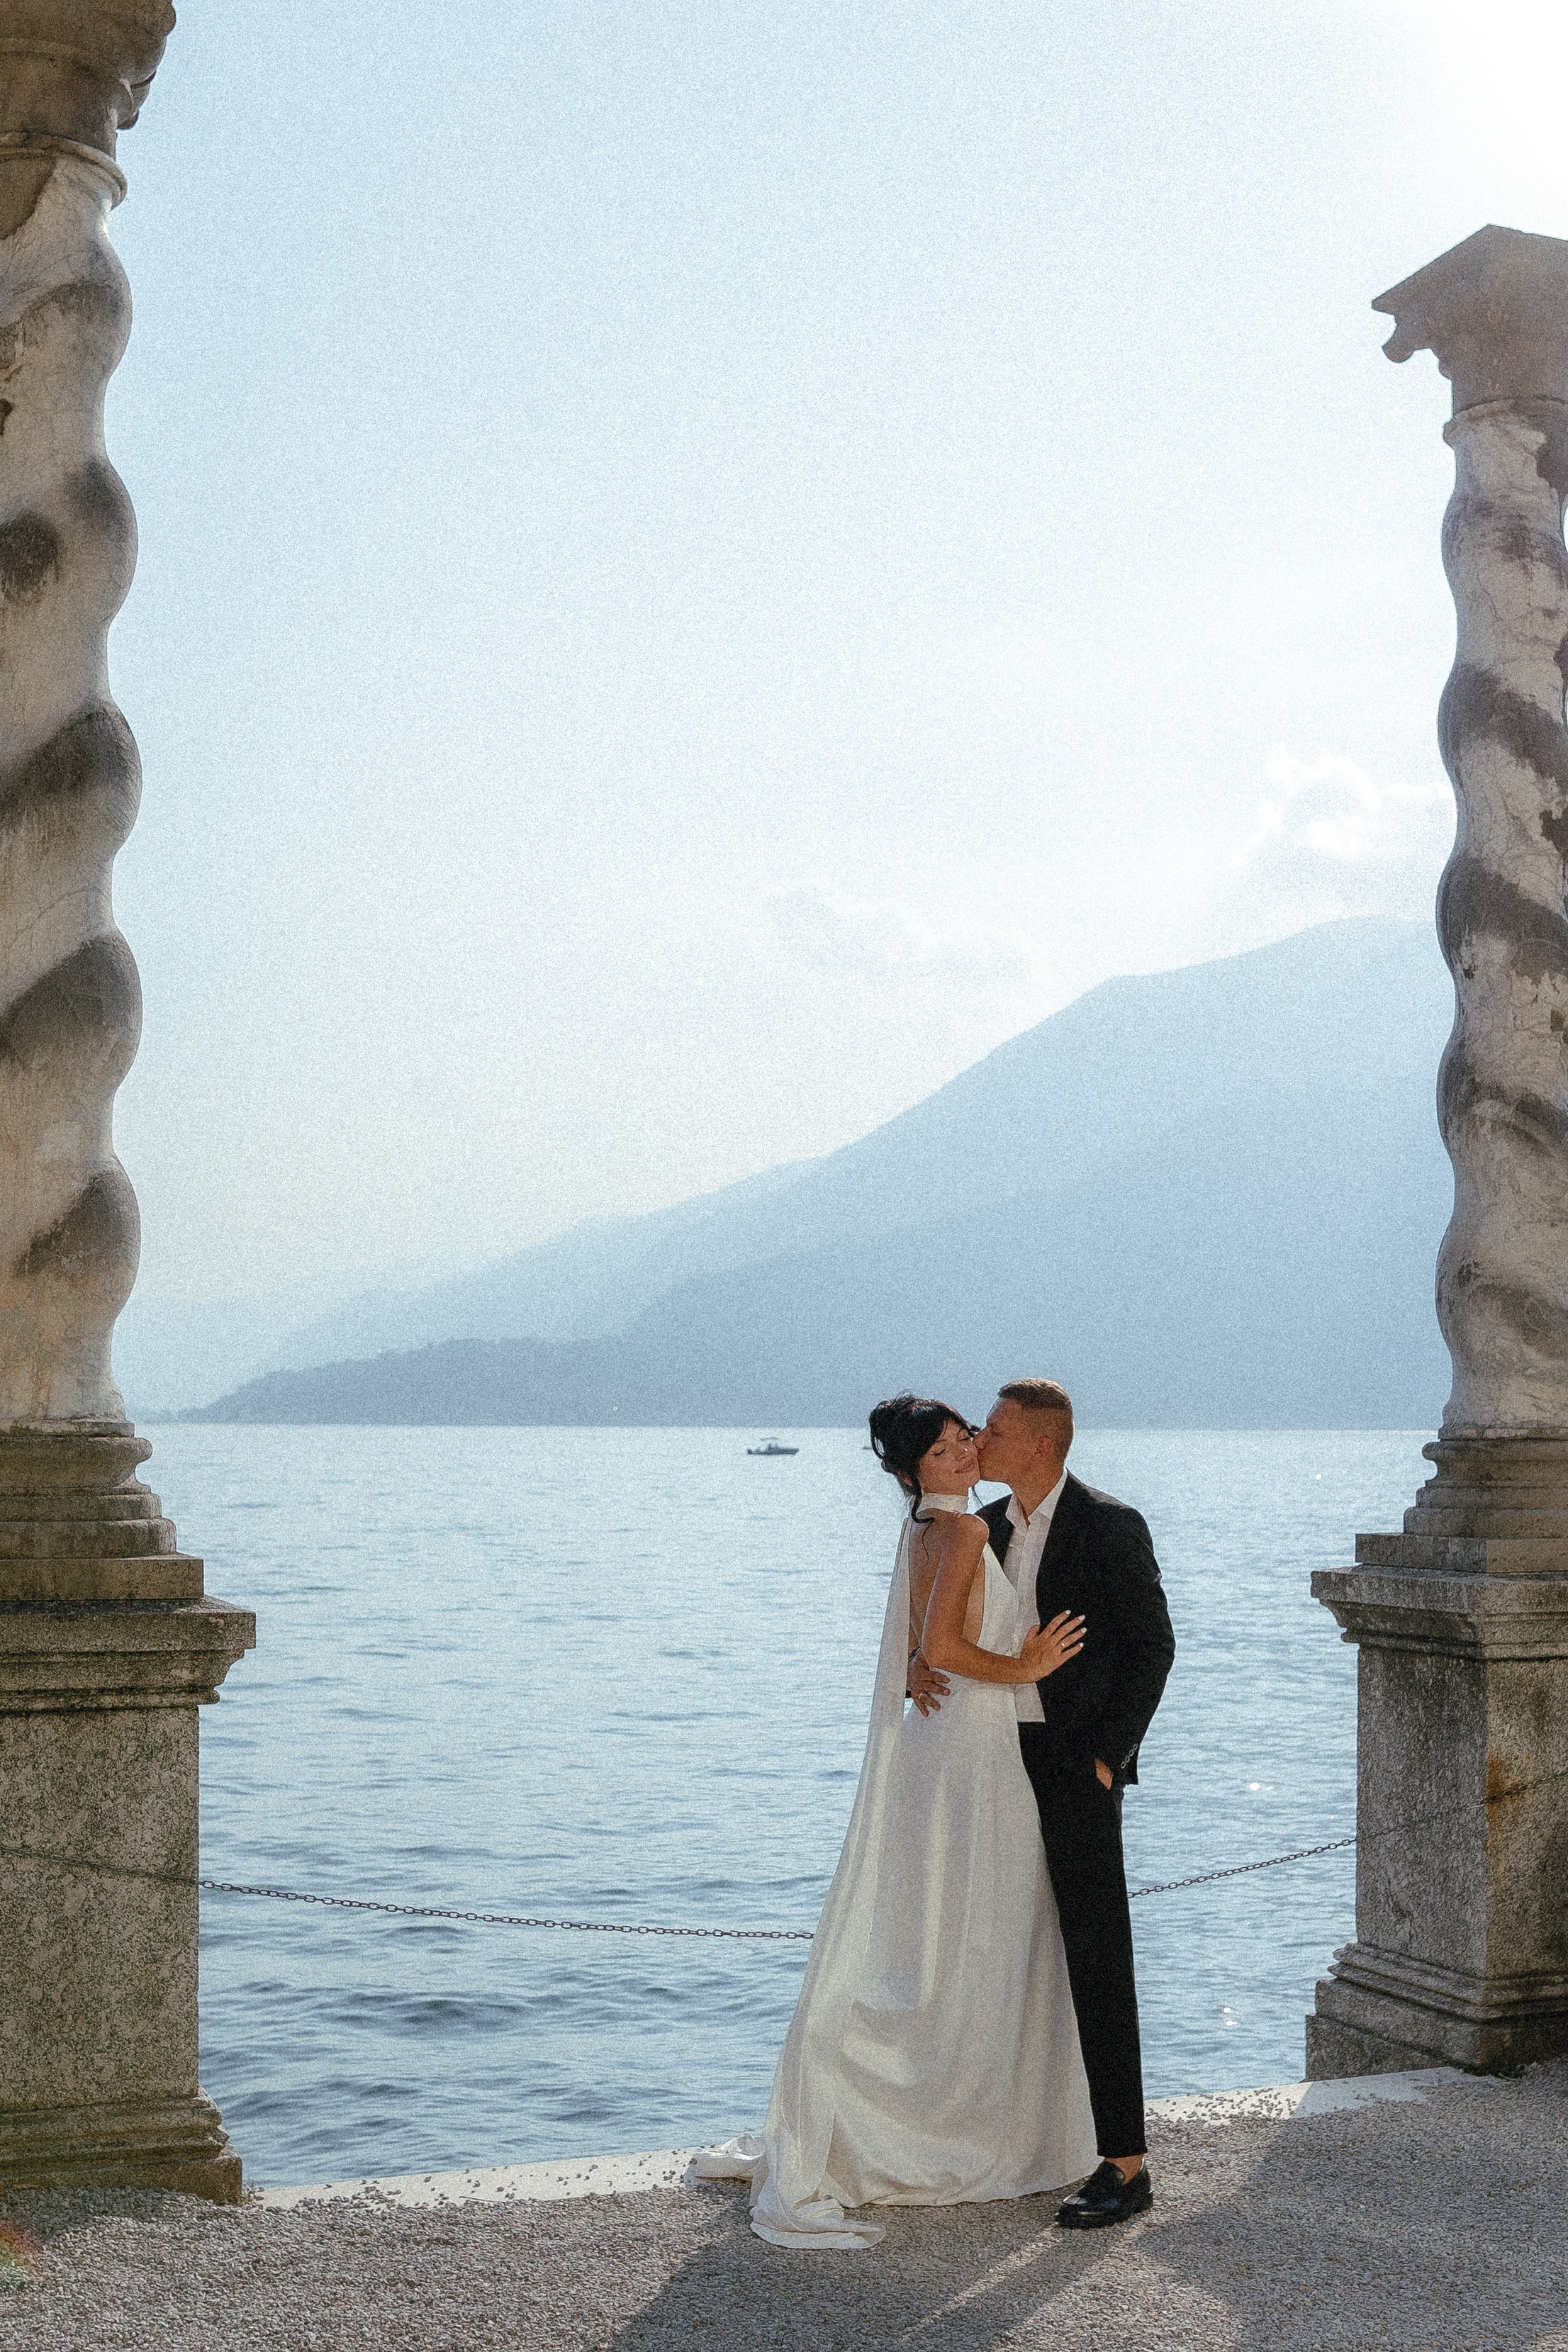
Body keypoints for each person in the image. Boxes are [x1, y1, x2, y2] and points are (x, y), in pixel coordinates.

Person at [696, 1394, 1098, 2249]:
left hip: (943, 1745)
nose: (963, 1453)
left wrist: (925, 1663)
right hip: (973, 1749)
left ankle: (911, 2111)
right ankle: (947, 2126)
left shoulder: (925, 1528)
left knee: (942, 1929)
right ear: (914, 1466)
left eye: (966, 1442)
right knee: (982, 1928)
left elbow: (924, 1646)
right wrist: (1024, 1661)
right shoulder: (963, 1533)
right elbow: (945, 1651)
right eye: (948, 1447)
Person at [912, 1377, 1174, 2229]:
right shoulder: (980, 1529)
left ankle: (1124, 2164)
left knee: (1097, 1952)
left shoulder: (1108, 1524)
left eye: (991, 1429)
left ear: (1038, 1444)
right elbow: (940, 1626)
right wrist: (921, 1662)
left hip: (1073, 1767)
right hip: (988, 1761)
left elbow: (1152, 1647)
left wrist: (1108, 1758)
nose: (978, 1440)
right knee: (991, 1942)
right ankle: (1007, 2133)